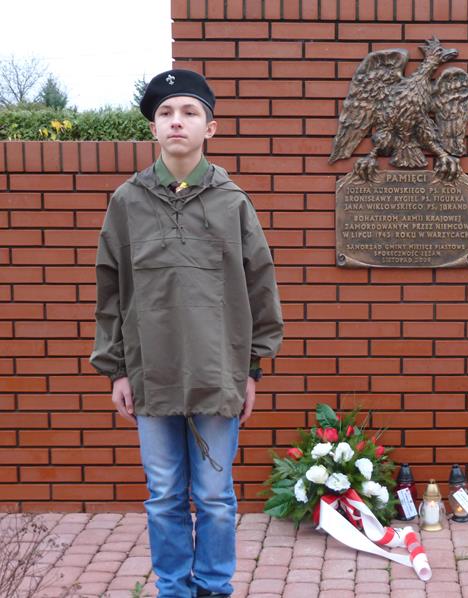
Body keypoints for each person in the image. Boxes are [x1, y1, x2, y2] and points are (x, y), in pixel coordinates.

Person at [90, 69, 284, 598]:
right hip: (150, 375)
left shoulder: (232, 202)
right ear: (153, 128)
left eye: (189, 112)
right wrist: (116, 370)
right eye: (166, 113)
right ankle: (173, 589)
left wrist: (252, 369)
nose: (177, 122)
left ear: (209, 128)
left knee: (215, 496)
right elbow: (110, 292)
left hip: (218, 374)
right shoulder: (127, 202)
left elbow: (261, 286)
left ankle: (215, 586)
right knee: (164, 495)